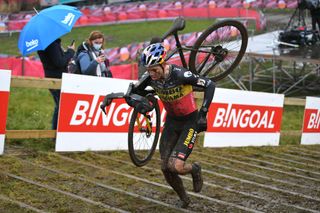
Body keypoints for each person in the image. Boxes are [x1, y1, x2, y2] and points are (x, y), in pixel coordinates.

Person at [132, 43, 215, 208]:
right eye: (149, 70)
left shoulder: (180, 74)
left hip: (190, 121)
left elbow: (210, 84)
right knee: (165, 167)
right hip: (171, 121)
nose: (152, 74)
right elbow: (136, 92)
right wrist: (137, 99)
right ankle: (184, 198)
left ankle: (195, 169)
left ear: (164, 64)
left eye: (155, 69)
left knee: (175, 166)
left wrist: (203, 113)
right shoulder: (150, 77)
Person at [38, 38, 75, 130]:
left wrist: (66, 55)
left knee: (59, 106)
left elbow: (57, 61)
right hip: (56, 79)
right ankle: (56, 134)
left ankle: (56, 133)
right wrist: (71, 51)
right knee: (61, 107)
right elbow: (59, 62)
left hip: (53, 77)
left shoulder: (47, 43)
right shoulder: (51, 44)